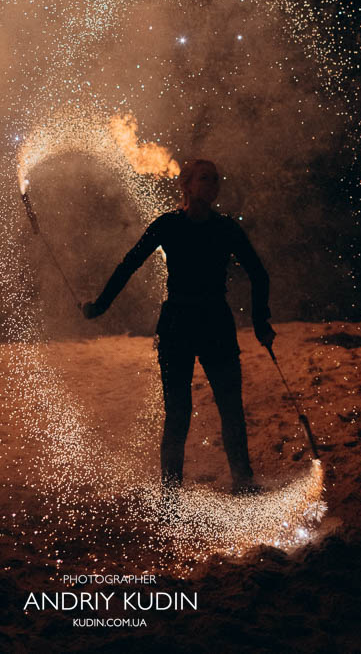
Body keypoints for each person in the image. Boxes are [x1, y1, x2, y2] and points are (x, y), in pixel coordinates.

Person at [83, 159, 275, 500]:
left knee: (230, 406)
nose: (214, 185)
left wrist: (261, 322)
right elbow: (129, 264)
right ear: (186, 186)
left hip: (214, 321)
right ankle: (171, 492)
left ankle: (243, 482)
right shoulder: (168, 225)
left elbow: (259, 274)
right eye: (205, 179)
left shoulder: (226, 228)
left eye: (216, 179)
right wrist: (100, 305)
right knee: (178, 411)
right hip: (178, 325)